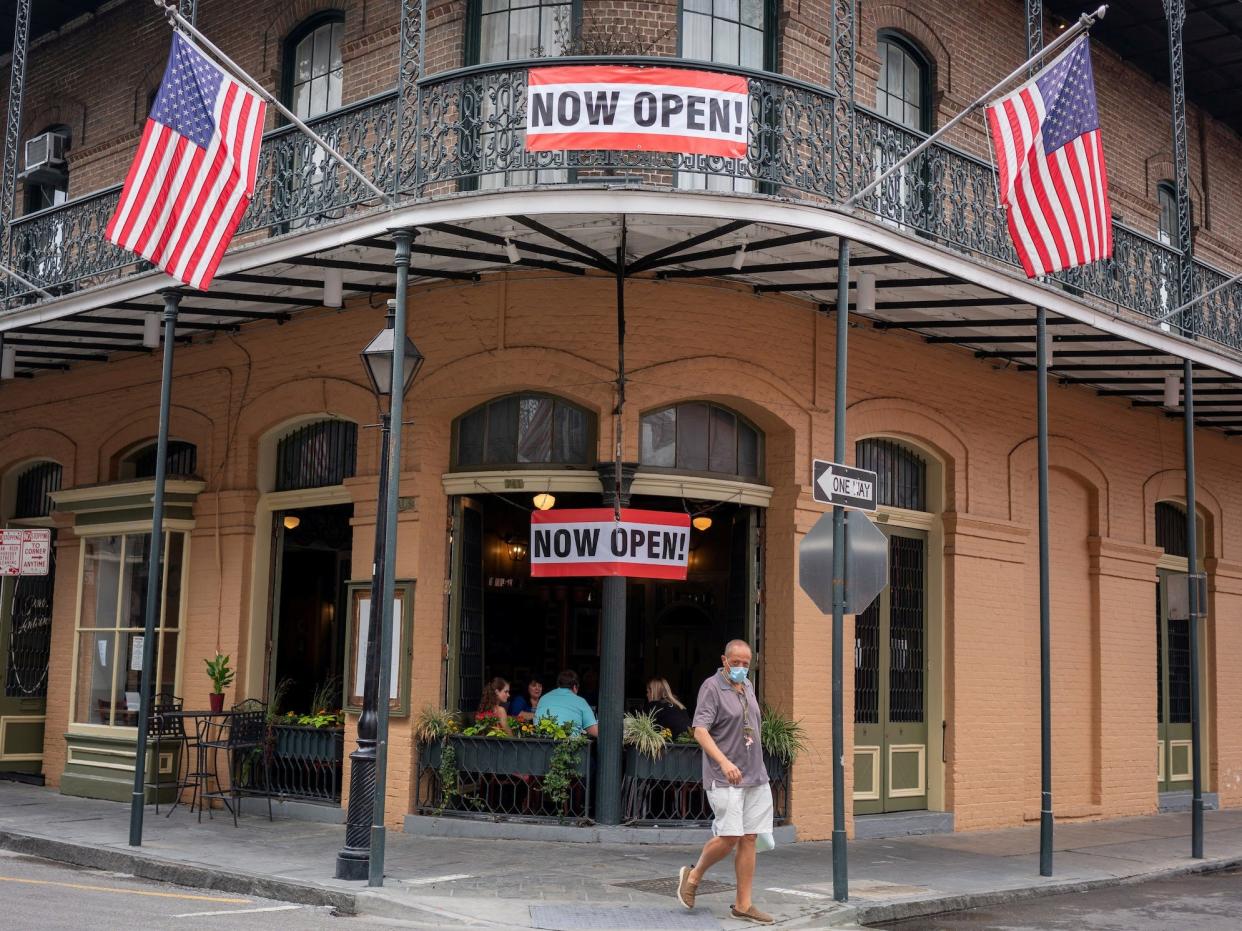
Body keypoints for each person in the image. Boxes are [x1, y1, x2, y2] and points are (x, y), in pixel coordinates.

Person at [676, 639, 774, 925]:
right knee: (730, 836)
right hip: (725, 776)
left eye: (747, 663)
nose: (742, 668)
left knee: (750, 838)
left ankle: (743, 904)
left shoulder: (748, 687)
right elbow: (700, 730)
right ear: (724, 660)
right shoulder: (712, 687)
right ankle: (693, 876)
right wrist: (724, 761)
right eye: (736, 662)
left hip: (755, 775)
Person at [534, 669, 599, 736]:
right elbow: (595, 732)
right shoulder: (580, 701)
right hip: (569, 745)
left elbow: (535, 723)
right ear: (575, 687)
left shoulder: (543, 698)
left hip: (541, 744)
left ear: (559, 685)